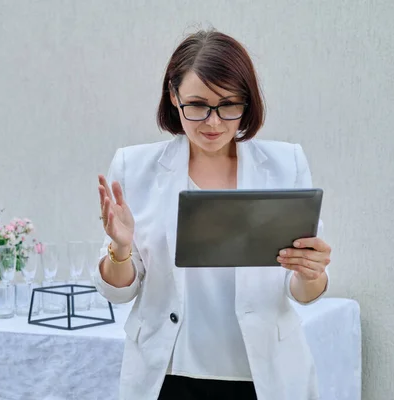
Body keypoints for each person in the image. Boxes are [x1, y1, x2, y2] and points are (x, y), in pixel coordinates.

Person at [93, 29, 331, 400]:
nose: (214, 122)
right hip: (167, 373)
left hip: (263, 373)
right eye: (198, 105)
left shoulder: (286, 165)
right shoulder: (134, 167)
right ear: (173, 96)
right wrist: (120, 250)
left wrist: (311, 272)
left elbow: (302, 291)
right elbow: (119, 291)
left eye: (229, 105)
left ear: (247, 103)